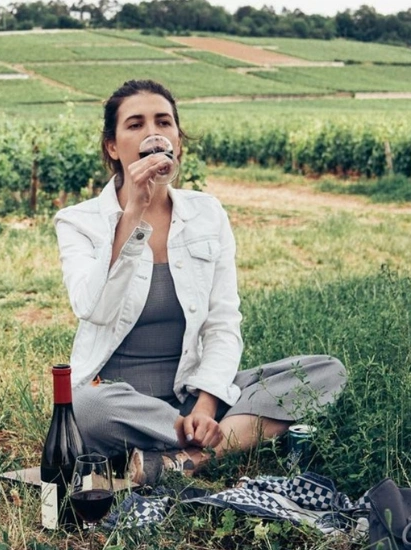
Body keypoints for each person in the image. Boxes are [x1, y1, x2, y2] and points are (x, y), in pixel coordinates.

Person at [54, 80, 347, 485]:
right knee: (82, 407)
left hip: (192, 393)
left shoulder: (207, 213)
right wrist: (134, 213)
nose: (153, 133)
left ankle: (185, 460)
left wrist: (207, 405)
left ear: (177, 139)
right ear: (112, 146)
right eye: (135, 124)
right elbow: (93, 308)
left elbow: (223, 322)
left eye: (164, 122)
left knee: (324, 372)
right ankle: (207, 442)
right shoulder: (77, 222)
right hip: (118, 399)